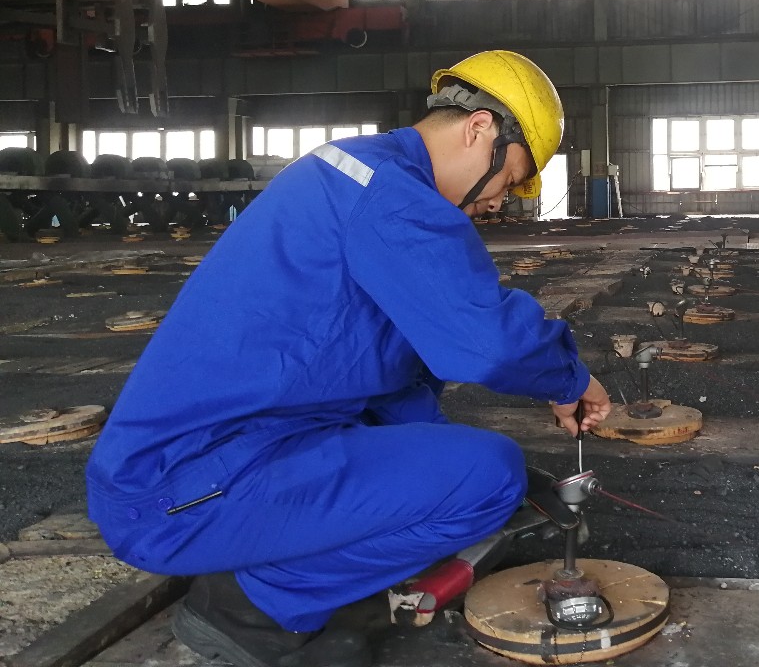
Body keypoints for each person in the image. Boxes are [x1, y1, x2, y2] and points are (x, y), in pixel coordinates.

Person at [85, 50, 611, 667]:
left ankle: (276, 571)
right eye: (508, 179)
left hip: (216, 459)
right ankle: (253, 606)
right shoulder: (392, 197)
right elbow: (485, 341)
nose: (499, 202)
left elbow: (388, 380)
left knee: (475, 471)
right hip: (178, 490)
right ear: (479, 130)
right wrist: (568, 379)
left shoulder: (363, 174)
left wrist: (443, 462)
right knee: (488, 476)